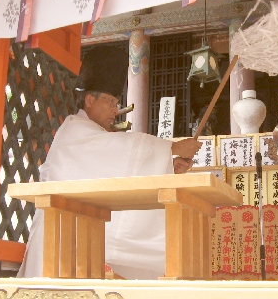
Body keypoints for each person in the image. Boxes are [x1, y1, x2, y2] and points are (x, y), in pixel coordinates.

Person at [17, 46, 202, 279]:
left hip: (81, 233)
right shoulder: (75, 131)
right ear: (89, 100)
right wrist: (172, 148)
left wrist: (168, 168)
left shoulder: (92, 134)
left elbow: (117, 173)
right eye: (110, 101)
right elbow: (119, 152)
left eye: (117, 102)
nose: (115, 110)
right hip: (60, 232)